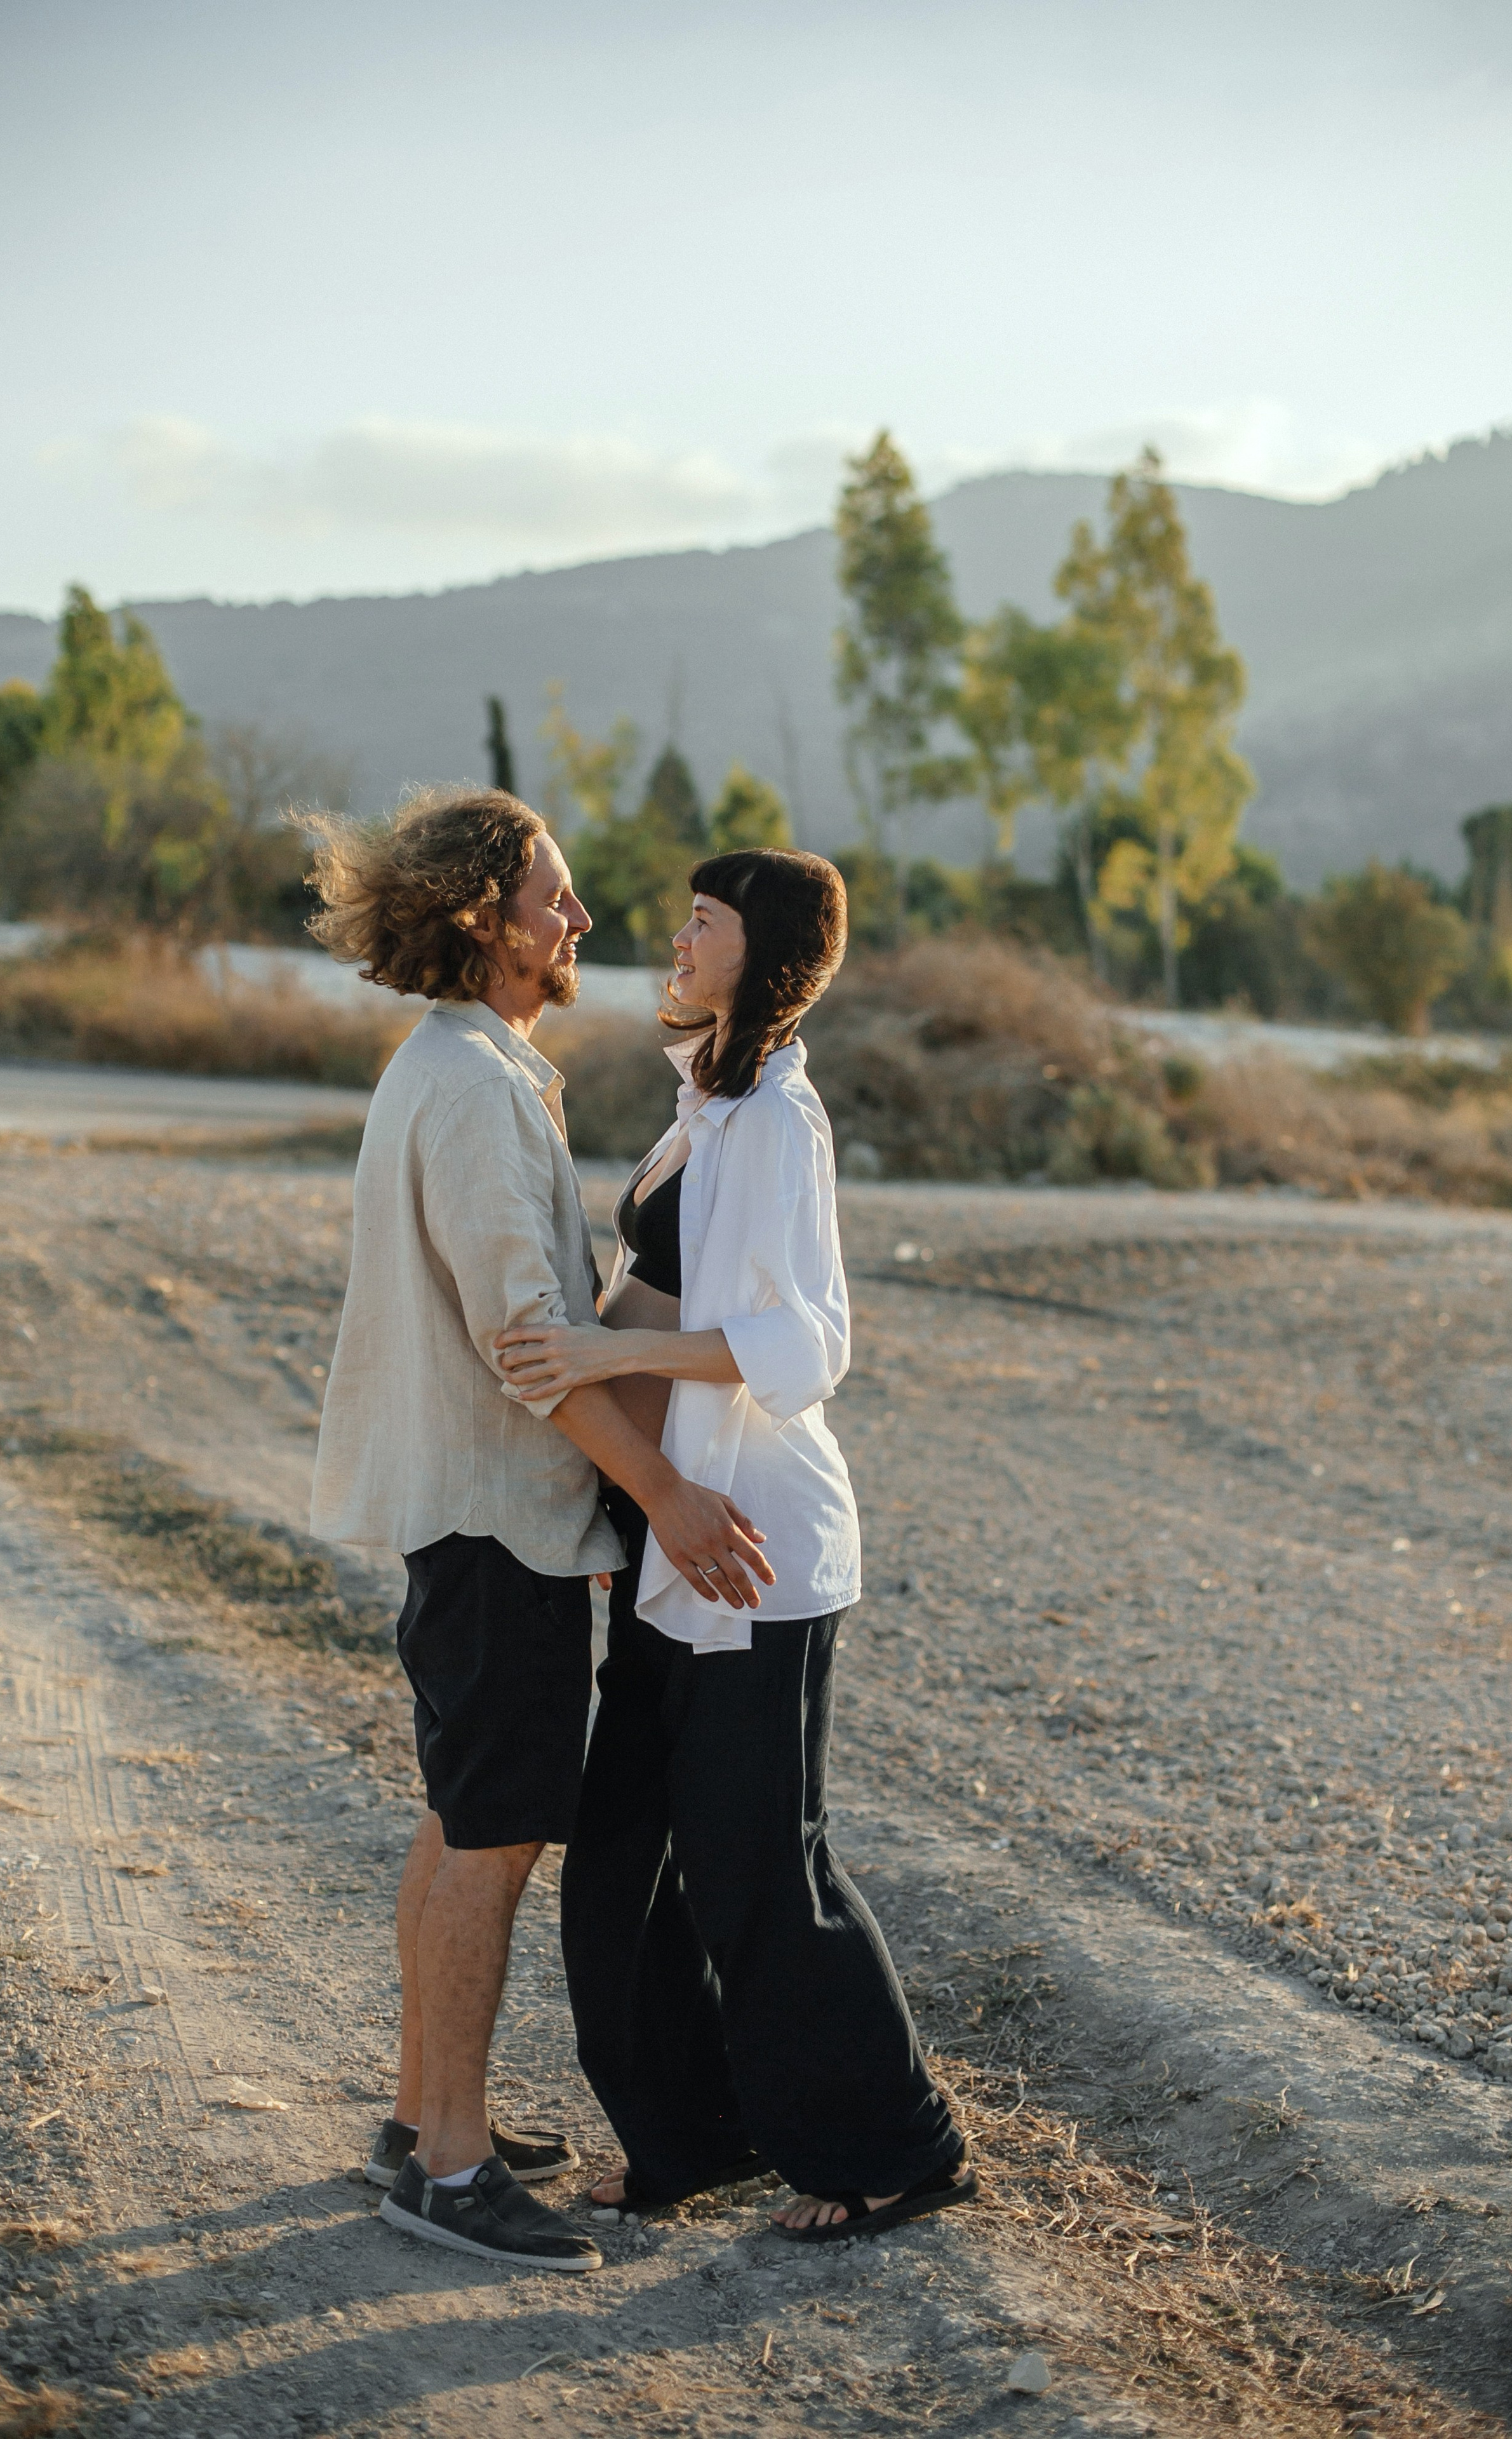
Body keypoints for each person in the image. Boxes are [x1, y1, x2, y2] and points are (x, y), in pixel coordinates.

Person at [306, 789, 772, 2275]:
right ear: (481, 918)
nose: (578, 921)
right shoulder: (474, 1087)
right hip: (498, 1522)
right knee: (492, 1843)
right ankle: (446, 2169)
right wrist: (668, 1496)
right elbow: (529, 1347)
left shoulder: (464, 1066)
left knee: (459, 1816)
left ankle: (420, 2117)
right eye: (553, 897)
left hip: (471, 1515)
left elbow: (558, 1314)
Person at [495, 847, 975, 2243]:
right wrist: (600, 1459)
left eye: (699, 923)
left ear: (756, 952)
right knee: (625, 1862)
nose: (672, 938)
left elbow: (805, 1345)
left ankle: (898, 2148)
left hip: (757, 1544)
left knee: (760, 1864)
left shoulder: (775, 1118)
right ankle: (693, 2137)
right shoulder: (705, 1100)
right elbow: (649, 1296)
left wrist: (588, 1348)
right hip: (673, 1533)